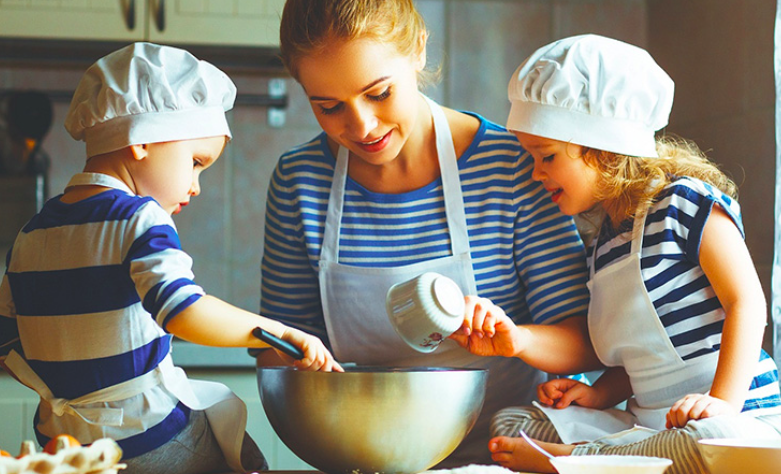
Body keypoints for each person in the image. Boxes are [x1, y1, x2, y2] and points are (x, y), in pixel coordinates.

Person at [257, 0, 600, 465]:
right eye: (330, 106)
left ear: (418, 49)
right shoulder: (300, 181)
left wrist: (515, 337)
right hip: (362, 455)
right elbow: (282, 350)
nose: (362, 126)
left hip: (508, 458)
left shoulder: (512, 167)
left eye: (379, 93)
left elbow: (584, 341)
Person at [0, 42, 341, 474]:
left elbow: (8, 344)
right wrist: (278, 333)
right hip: (151, 437)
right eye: (196, 161)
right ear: (141, 141)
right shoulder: (141, 217)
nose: (196, 185)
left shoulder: (31, 233)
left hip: (64, 446)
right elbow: (181, 310)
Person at [453, 34, 781, 474]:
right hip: (653, 425)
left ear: (601, 146)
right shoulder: (605, 242)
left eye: (546, 156)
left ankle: (572, 462)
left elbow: (747, 302)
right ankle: (607, 460)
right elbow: (642, 355)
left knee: (712, 442)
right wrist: (598, 395)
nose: (536, 173)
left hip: (737, 415)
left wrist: (720, 402)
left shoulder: (685, 202)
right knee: (515, 423)